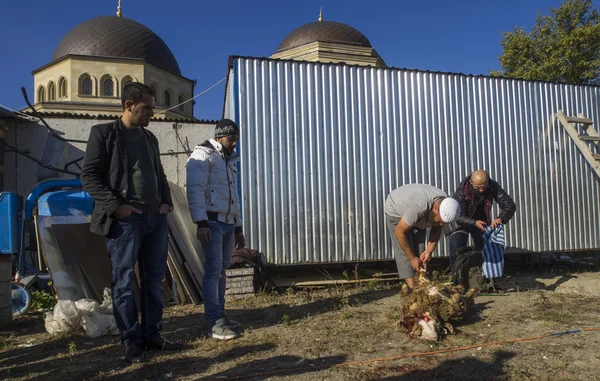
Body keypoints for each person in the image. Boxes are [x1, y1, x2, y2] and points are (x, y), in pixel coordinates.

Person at [81, 82, 184, 364]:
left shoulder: (150, 139)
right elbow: (89, 177)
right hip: (126, 222)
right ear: (129, 105)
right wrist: (118, 207)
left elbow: (158, 173)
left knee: (153, 281)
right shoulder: (103, 133)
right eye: (147, 107)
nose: (153, 112)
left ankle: (153, 336)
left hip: (155, 219)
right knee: (124, 283)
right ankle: (132, 342)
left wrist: (166, 203)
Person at [186, 118, 246, 340]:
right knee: (213, 272)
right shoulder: (203, 155)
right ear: (220, 136)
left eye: (236, 140)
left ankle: (220, 314)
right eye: (232, 139)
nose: (235, 144)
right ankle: (214, 322)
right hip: (211, 223)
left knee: (221, 271)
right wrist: (201, 223)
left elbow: (233, 196)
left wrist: (238, 227)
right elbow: (194, 190)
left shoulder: (229, 160)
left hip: (228, 224)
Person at [384, 184, 461, 288]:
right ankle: (415, 290)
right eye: (440, 220)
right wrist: (411, 258)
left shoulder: (445, 204)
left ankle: (421, 283)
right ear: (435, 209)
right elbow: (399, 232)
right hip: (396, 208)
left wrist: (429, 251)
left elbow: (437, 227)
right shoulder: (418, 208)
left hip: (418, 211)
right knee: (406, 253)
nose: (441, 224)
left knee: (420, 252)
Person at [448, 170, 516, 268]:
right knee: (457, 247)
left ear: (488, 181)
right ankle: (457, 278)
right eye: (477, 187)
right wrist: (474, 222)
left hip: (481, 221)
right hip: (461, 222)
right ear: (471, 183)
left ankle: (485, 276)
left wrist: (500, 218)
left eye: (484, 187)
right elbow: (458, 216)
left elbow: (510, 204)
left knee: (486, 248)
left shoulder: (492, 186)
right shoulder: (462, 190)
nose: (481, 190)